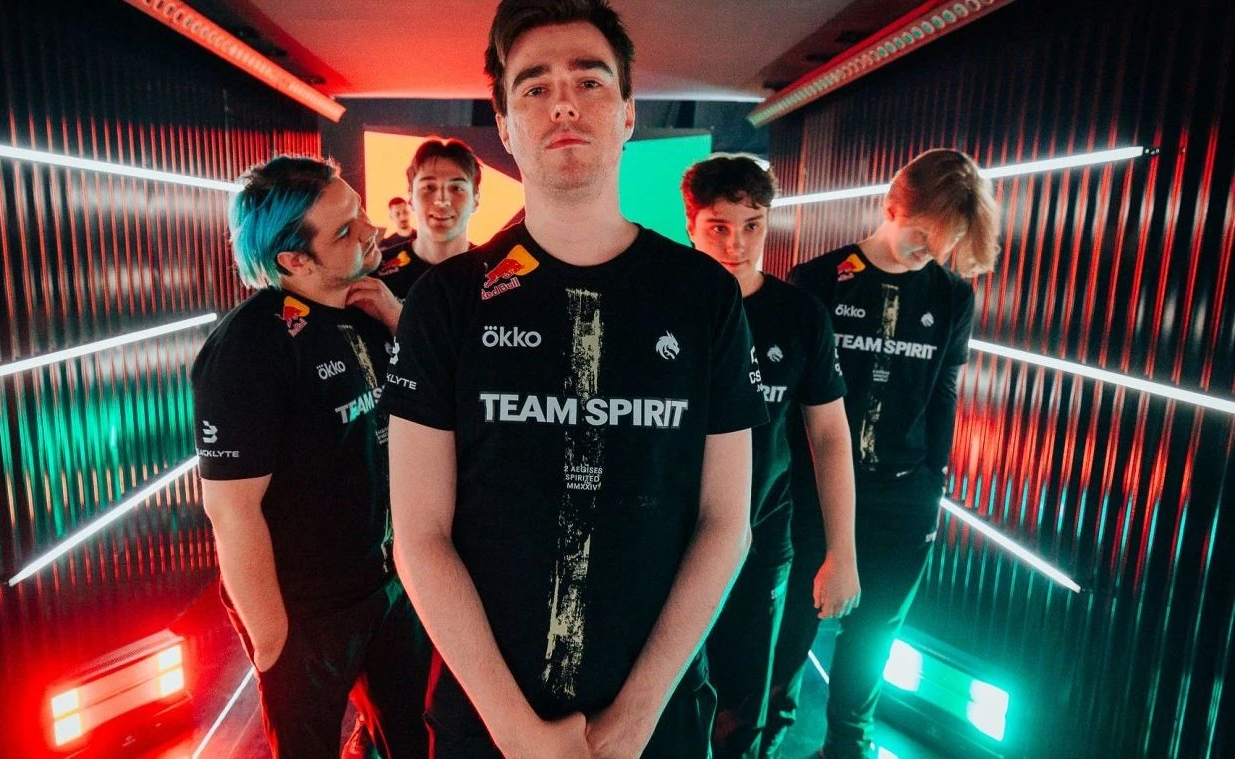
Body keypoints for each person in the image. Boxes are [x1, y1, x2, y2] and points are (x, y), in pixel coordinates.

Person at [380, 1, 768, 757]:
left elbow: (727, 521)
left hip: (657, 720)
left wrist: (635, 718)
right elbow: (420, 536)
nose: (563, 103)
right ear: (504, 125)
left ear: (628, 113)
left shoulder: (703, 296)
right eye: (535, 87)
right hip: (486, 719)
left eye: (590, 81)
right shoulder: (447, 301)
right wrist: (518, 732)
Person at [190, 156, 428, 758]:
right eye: (345, 230)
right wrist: (272, 640)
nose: (372, 229)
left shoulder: (370, 305)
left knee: (410, 739)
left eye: (360, 211)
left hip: (386, 584)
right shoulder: (249, 347)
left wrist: (400, 322)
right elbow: (230, 508)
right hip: (307, 611)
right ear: (294, 260)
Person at [769, 148, 1001, 759]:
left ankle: (848, 748)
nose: (930, 252)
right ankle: (763, 742)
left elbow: (944, 393)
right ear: (891, 207)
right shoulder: (817, 280)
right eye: (922, 236)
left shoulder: (952, 296)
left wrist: (934, 483)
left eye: (945, 244)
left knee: (873, 640)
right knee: (788, 635)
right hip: (813, 491)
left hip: (904, 497)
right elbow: (788, 398)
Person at [682, 154, 860, 759]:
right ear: (692, 226)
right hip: (669, 540)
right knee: (665, 702)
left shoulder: (800, 315)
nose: (736, 244)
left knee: (742, 712)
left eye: (752, 225)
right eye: (719, 227)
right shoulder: (662, 306)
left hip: (759, 542)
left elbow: (830, 435)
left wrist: (842, 552)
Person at [376, 138, 482, 298]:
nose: (442, 200)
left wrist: (394, 312)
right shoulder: (378, 276)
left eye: (456, 188)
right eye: (428, 187)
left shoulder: (494, 275)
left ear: (475, 200)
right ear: (411, 198)